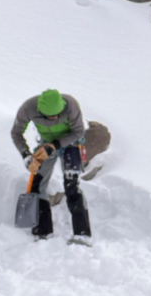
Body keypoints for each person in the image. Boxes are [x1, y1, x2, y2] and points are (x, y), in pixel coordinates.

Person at [12, 89, 92, 244]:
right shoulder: (28, 108)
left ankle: (82, 234)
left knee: (71, 185)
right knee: (37, 185)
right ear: (40, 111)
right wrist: (26, 155)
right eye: (50, 116)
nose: (55, 118)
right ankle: (43, 231)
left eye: (57, 114)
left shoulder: (71, 105)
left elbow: (78, 131)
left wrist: (55, 145)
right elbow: (16, 133)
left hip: (71, 144)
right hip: (45, 146)